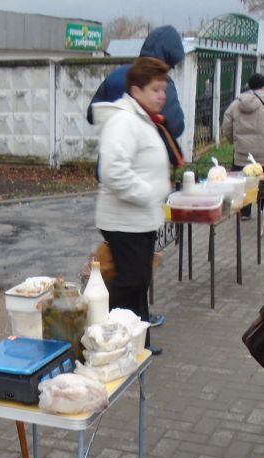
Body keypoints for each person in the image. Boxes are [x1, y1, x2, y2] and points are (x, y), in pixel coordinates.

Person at [91, 56, 172, 356]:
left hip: (139, 219)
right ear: (136, 91)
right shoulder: (124, 120)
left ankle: (140, 345)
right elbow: (113, 172)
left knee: (138, 283)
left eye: (163, 89)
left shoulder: (141, 118)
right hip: (123, 221)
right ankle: (109, 340)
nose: (162, 95)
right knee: (129, 283)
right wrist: (149, 193)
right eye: (155, 89)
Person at [87, 25, 185, 166]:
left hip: (108, 163)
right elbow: (176, 126)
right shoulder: (161, 84)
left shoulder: (115, 75)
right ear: (167, 61)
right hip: (142, 167)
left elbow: (92, 114)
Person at [222, 73, 264, 217]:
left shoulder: (236, 103)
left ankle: (244, 212)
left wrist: (234, 140)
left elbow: (226, 126)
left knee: (244, 182)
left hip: (242, 154)